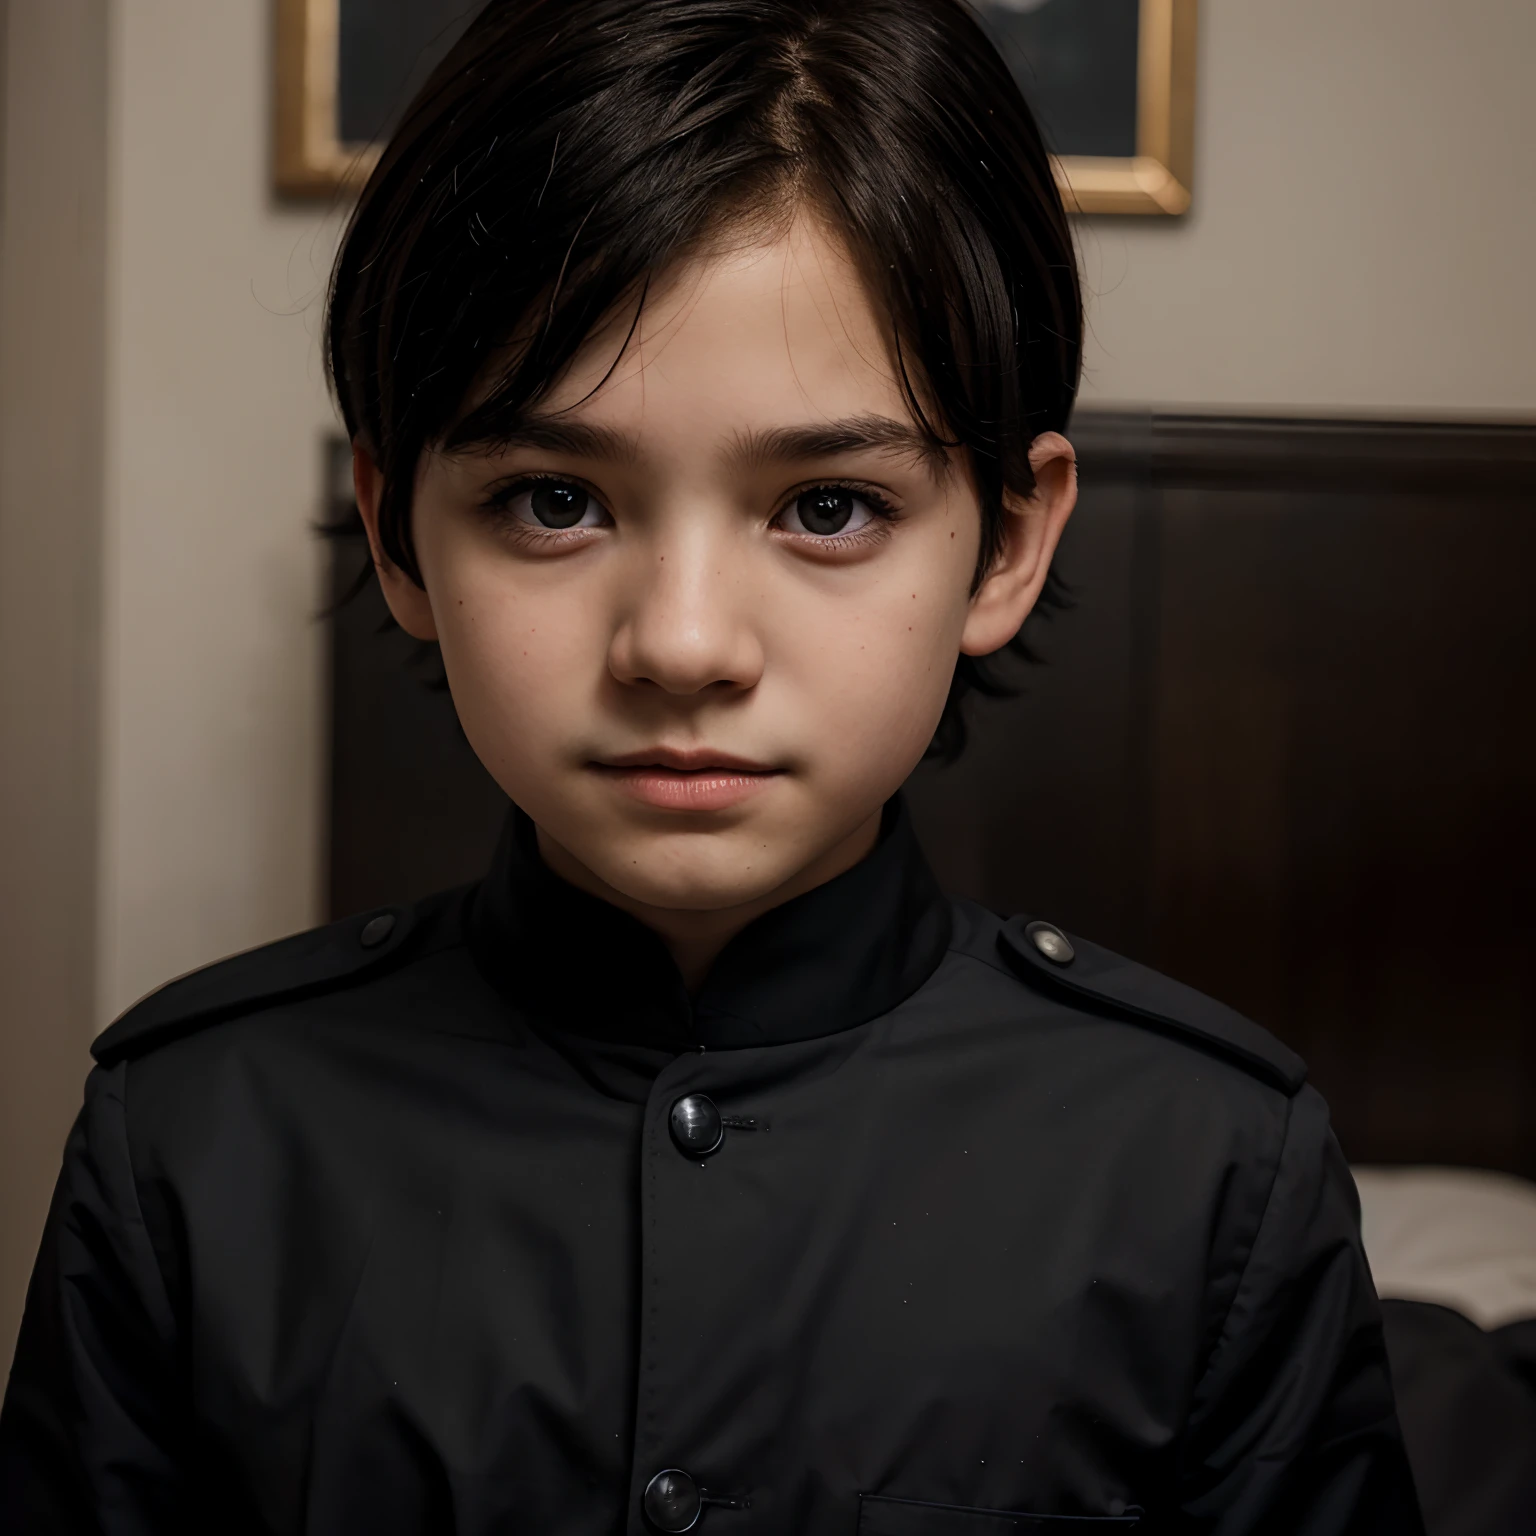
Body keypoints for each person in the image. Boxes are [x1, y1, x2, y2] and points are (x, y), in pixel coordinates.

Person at [0, 1, 1423, 1530]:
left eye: (826, 508)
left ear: (1006, 541)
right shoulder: (193, 1142)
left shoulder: (1213, 1173)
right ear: (399, 525)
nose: (680, 645)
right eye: (554, 500)